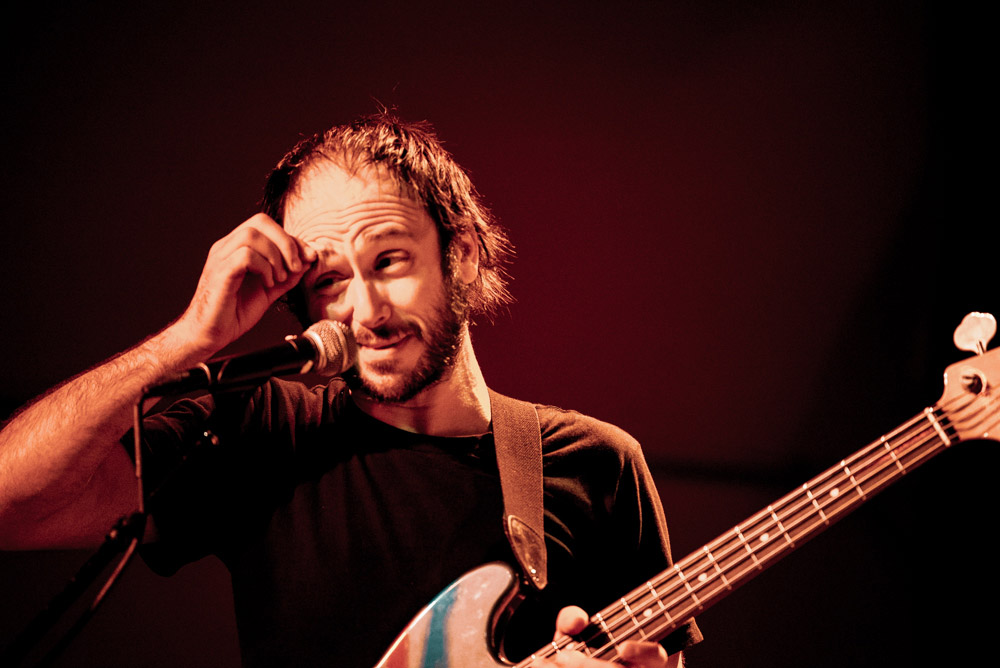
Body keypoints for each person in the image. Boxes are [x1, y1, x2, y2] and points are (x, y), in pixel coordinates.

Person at [0, 114, 701, 667]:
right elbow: (10, 506)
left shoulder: (598, 464)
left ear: (461, 254)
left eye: (389, 260)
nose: (365, 310)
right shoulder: (261, 429)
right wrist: (185, 340)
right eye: (330, 280)